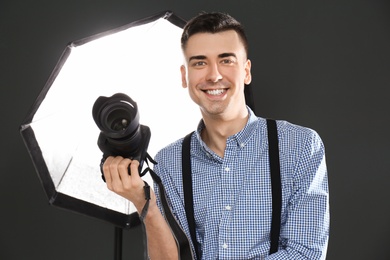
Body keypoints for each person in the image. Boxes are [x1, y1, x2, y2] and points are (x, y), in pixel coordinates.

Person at [102, 12, 330, 259]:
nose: (214, 75)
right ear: (184, 76)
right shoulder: (168, 162)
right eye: (199, 62)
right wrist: (145, 204)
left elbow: (306, 253)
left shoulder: (300, 145)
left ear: (246, 71)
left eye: (226, 60)